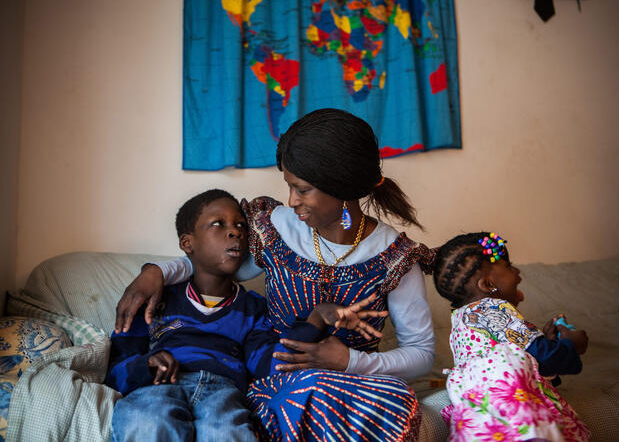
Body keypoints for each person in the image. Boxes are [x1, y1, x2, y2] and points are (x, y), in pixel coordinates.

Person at [115, 109, 438, 441]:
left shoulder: (396, 257)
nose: (291, 201)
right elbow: (218, 265)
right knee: (303, 391)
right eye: (289, 187)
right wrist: (157, 271)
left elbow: (421, 355)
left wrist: (349, 361)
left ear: (340, 186)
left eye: (302, 189)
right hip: (280, 380)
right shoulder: (276, 229)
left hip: (354, 381)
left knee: (373, 398)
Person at [107, 189, 386, 441]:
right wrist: (147, 364)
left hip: (222, 392)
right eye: (219, 224)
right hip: (157, 387)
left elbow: (269, 366)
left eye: (240, 225)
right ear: (187, 243)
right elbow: (116, 370)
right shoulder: (156, 299)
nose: (235, 232)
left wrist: (316, 319)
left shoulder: (253, 309)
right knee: (147, 424)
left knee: (225, 432)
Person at [432, 232, 591, 441]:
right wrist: (571, 344)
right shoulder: (493, 307)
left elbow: (527, 365)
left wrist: (544, 341)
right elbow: (545, 358)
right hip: (510, 408)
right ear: (488, 285)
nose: (517, 272)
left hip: (483, 415)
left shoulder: (462, 318)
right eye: (508, 266)